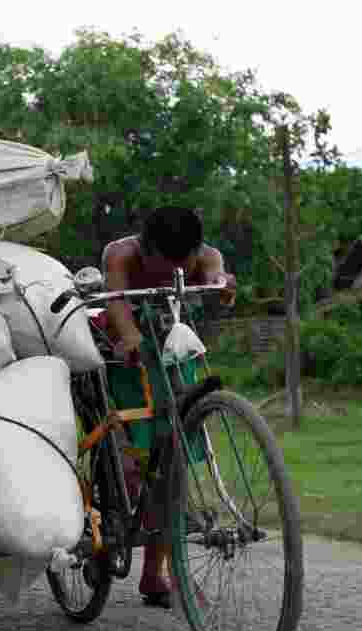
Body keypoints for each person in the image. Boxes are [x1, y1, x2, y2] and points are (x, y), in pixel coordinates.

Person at [100, 206, 236, 609]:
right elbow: (118, 301)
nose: (177, 269)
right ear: (146, 247)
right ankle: (160, 562)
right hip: (130, 361)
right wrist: (129, 336)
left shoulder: (205, 255)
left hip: (176, 358)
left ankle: (158, 572)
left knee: (173, 462)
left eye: (186, 261)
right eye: (166, 262)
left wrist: (222, 284)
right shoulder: (120, 255)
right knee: (143, 463)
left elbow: (217, 278)